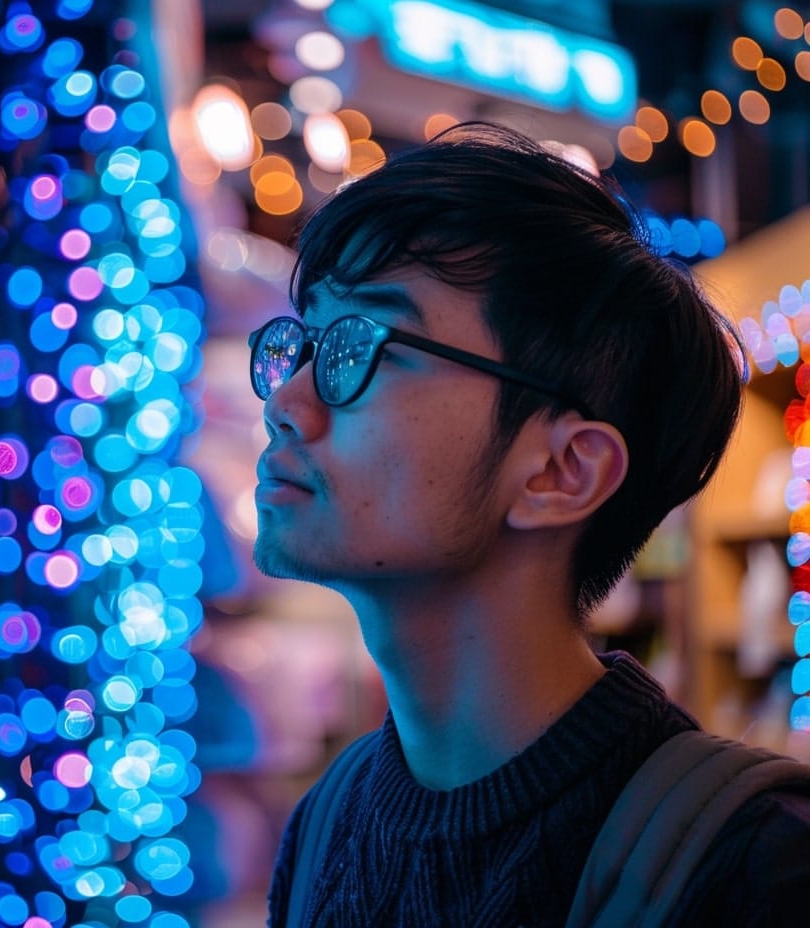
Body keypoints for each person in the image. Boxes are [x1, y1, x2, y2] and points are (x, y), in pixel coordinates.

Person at [250, 123, 810, 926]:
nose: (285, 404)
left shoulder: (749, 865)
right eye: (301, 344)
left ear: (561, 472)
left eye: (359, 346)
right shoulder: (328, 822)